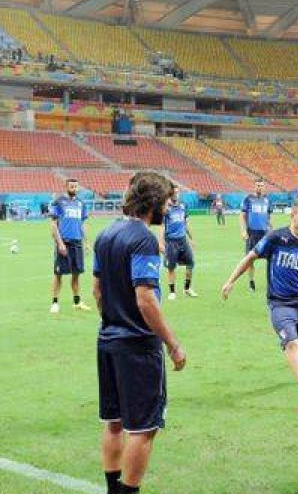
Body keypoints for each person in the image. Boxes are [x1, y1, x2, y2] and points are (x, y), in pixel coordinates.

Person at [92, 172, 187, 494]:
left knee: (114, 422)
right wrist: (172, 343)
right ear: (154, 202)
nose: (168, 208)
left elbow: (97, 291)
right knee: (143, 428)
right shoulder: (144, 239)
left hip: (107, 340)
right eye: (166, 202)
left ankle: (111, 489)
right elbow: (145, 298)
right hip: (136, 345)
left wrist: (113, 319)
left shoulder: (105, 234)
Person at [222, 198, 298, 406]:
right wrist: (230, 281)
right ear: (293, 215)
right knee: (292, 342)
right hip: (279, 303)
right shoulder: (275, 238)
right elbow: (250, 257)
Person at [50, 178, 93, 313]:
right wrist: (60, 243)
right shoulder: (59, 202)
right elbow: (53, 224)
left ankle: (77, 302)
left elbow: (83, 224)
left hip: (77, 243)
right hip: (64, 242)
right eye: (71, 186)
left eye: (76, 186)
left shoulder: (81, 203)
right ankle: (55, 302)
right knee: (59, 274)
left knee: (76, 274)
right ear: (66, 187)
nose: (74, 188)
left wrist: (86, 242)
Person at [163, 186, 198, 300]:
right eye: (174, 193)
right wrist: (163, 243)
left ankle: (187, 289)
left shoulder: (183, 206)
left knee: (190, 263)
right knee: (171, 267)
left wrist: (191, 239)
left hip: (183, 239)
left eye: (178, 192)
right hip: (171, 241)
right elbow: (162, 226)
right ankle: (172, 291)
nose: (176, 195)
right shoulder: (166, 209)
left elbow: (186, 223)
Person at [239, 179, 272, 293]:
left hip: (265, 233)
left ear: (264, 187)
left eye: (262, 186)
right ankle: (251, 282)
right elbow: (242, 216)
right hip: (252, 233)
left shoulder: (267, 200)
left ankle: (271, 282)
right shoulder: (248, 199)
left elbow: (268, 217)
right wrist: (243, 230)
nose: (259, 187)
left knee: (271, 258)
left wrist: (271, 229)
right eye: (258, 185)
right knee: (250, 259)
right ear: (254, 186)